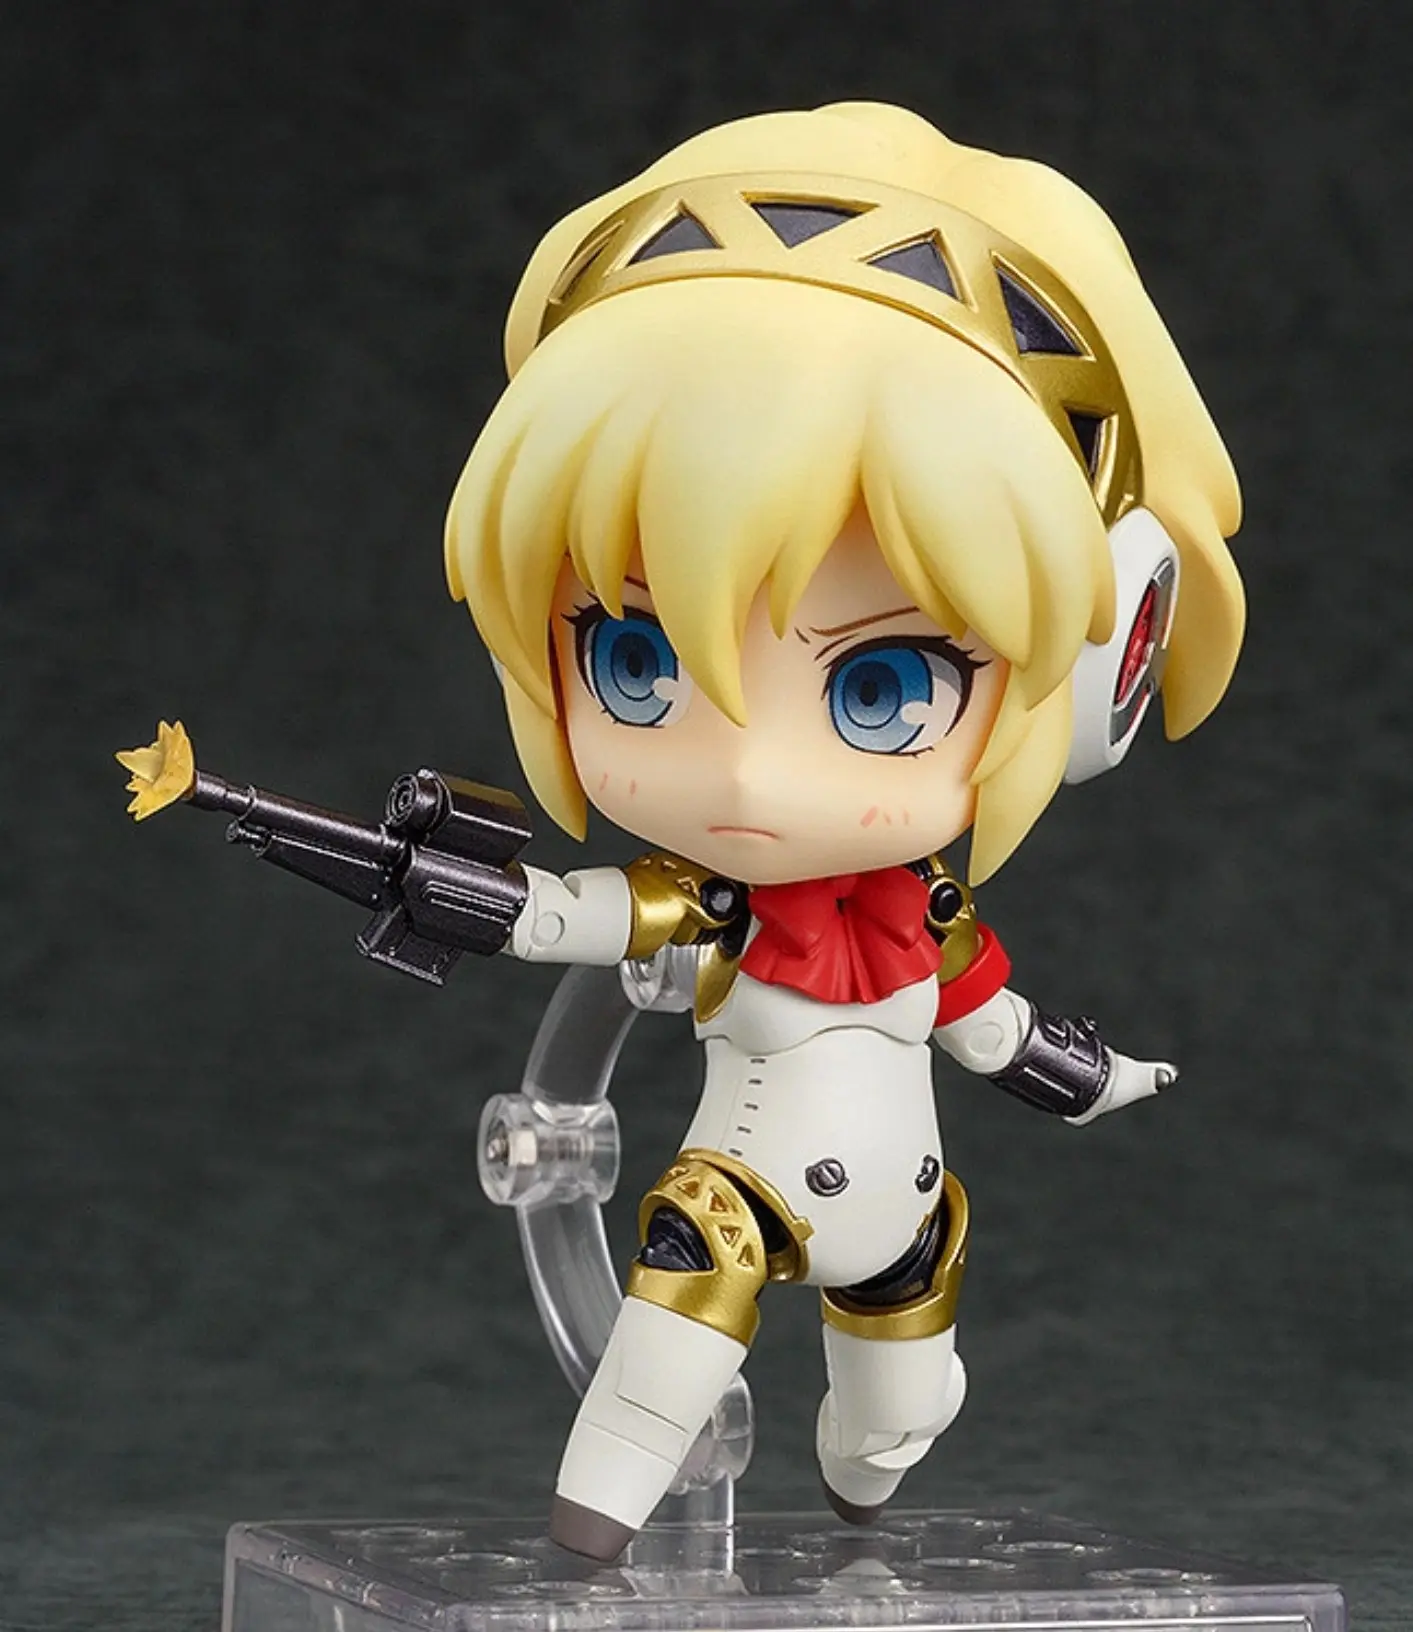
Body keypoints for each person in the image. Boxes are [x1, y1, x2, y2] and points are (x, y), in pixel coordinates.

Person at [453, 100, 1245, 1561]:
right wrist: (471, 897)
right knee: (657, 1377)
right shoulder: (715, 909)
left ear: (1095, 680)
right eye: (636, 661)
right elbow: (575, 913)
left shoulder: (925, 918)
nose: (749, 777)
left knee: (891, 1422)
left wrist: (1102, 1077)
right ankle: (598, 1530)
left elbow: (995, 1030)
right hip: (735, 1198)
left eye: (881, 688)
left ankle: (872, 1478)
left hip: (914, 1219)